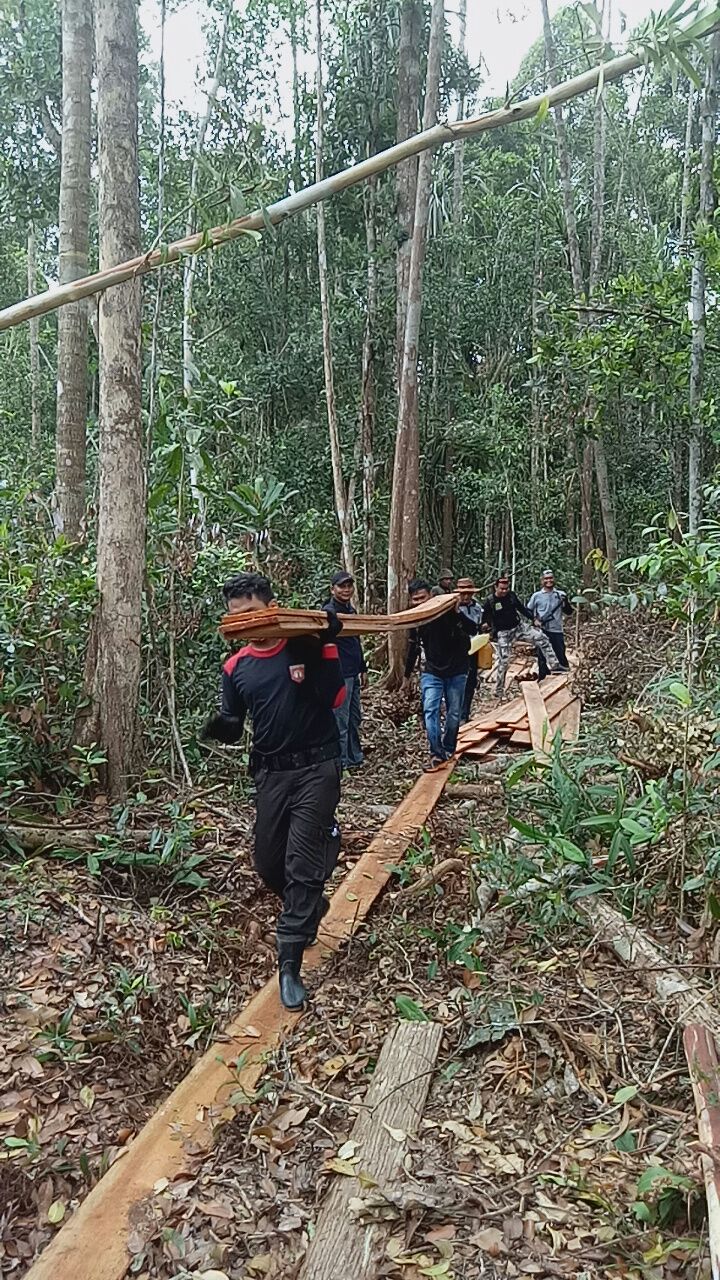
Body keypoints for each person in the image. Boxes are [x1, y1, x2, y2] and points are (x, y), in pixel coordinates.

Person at [202, 572, 345, 1012]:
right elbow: (234, 718)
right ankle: (313, 895)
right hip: (270, 774)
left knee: (301, 861)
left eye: (249, 613)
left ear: (270, 607)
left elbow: (335, 699)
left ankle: (289, 961)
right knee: (267, 863)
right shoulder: (236, 666)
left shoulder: (304, 642)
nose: (242, 623)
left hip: (317, 767)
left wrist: (323, 647)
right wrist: (220, 728)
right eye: (234, 617)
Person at [404, 578, 476, 770]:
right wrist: (406, 674)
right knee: (430, 710)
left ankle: (449, 748)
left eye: (423, 597)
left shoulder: (448, 612)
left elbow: (473, 629)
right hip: (432, 671)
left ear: (431, 596)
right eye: (415, 599)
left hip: (457, 670)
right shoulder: (416, 619)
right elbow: (413, 646)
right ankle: (436, 753)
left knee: (453, 714)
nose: (420, 602)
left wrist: (457, 613)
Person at [481, 575, 561, 698]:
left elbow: (521, 609)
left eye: (506, 588)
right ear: (495, 587)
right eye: (501, 589)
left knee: (542, 638)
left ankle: (554, 665)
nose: (504, 591)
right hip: (503, 633)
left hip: (519, 627)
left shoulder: (511, 596)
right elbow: (484, 618)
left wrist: (533, 619)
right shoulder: (490, 601)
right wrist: (485, 625)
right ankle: (499, 689)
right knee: (504, 661)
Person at [323, 570, 367, 770]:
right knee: (340, 720)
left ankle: (355, 758)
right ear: (333, 589)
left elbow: (355, 640)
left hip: (353, 672)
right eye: (342, 586)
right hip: (339, 673)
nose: (346, 589)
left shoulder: (350, 611)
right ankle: (340, 764)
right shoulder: (329, 612)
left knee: (354, 718)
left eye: (349, 585)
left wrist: (363, 668)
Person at [527, 568, 572, 679]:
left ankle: (564, 679)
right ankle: (543, 678)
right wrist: (534, 620)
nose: (549, 580)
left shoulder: (560, 594)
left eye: (551, 578)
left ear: (554, 579)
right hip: (542, 630)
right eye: (546, 578)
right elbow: (528, 610)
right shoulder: (536, 596)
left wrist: (565, 602)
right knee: (542, 656)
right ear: (542, 580)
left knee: (560, 652)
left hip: (557, 629)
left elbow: (569, 612)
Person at [456, 577, 483, 723]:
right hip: (455, 650)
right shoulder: (452, 609)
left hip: (473, 647)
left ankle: (464, 715)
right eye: (463, 593)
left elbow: (478, 626)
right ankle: (455, 714)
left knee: (470, 681)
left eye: (468, 593)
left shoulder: (478, 608)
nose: (465, 597)